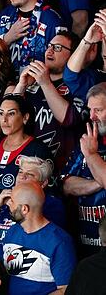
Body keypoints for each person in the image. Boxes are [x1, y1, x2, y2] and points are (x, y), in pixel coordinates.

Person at [0, 155, 66, 259]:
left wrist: (18, 206)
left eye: (30, 174)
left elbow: (46, 240)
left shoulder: (51, 204)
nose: (22, 176)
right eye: (20, 172)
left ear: (43, 183)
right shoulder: (5, 199)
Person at [12, 31, 85, 162]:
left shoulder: (78, 86)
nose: (49, 51)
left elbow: (68, 119)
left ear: (73, 55)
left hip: (60, 166)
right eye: (49, 46)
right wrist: (21, 86)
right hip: (25, 160)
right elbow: (9, 116)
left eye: (57, 48)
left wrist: (45, 83)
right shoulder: (32, 82)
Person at [0, 181, 76, 294]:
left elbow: (65, 289)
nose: (8, 204)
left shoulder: (60, 241)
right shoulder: (12, 231)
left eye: (12, 201)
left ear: (24, 209)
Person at [61, 83, 106, 251]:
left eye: (99, 110)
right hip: (85, 242)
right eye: (90, 110)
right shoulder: (87, 141)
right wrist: (99, 181)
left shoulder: (89, 148)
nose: (92, 116)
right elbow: (66, 185)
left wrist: (92, 156)